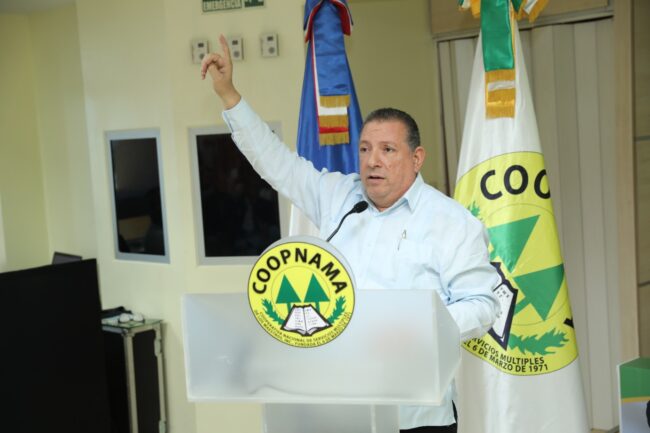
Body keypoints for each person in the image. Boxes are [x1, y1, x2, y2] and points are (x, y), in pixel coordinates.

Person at [201, 35, 500, 433]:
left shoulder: (452, 222)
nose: (373, 161)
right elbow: (276, 163)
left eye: (388, 150)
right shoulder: (338, 196)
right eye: (364, 149)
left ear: (416, 158)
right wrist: (229, 95)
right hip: (339, 409)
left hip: (415, 416)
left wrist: (417, 326)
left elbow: (482, 305)